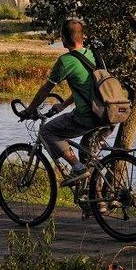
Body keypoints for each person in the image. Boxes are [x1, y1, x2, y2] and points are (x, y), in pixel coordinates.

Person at [24, 18, 113, 187]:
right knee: (88, 155)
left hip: (88, 117)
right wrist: (63, 105)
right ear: (83, 37)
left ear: (63, 38)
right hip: (108, 115)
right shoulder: (94, 55)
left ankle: (77, 168)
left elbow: (46, 89)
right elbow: (90, 89)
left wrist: (29, 110)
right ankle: (97, 203)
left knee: (48, 131)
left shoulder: (66, 61)